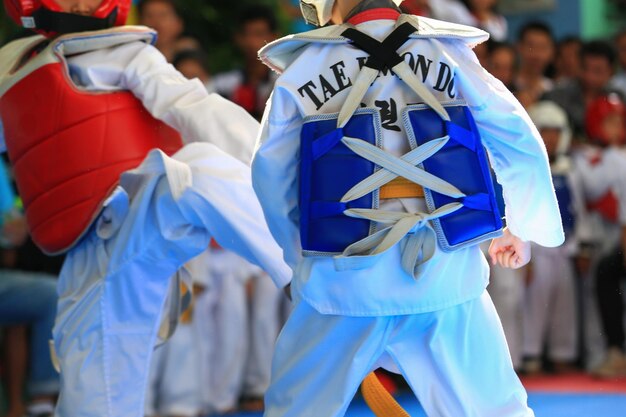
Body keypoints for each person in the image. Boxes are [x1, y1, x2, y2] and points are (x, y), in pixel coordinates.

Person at [253, 1, 564, 416]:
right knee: (495, 410)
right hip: (444, 279)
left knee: (296, 410)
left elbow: (271, 177)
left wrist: (298, 258)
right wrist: (521, 226)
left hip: (343, 285)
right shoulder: (447, 52)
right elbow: (517, 137)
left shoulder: (303, 69)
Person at [0, 1, 291, 417]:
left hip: (139, 217)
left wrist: (282, 172)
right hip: (84, 266)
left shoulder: (128, 53)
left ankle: (306, 275)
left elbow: (200, 110)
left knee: (199, 168)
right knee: (93, 406)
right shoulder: (12, 67)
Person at [522, 101, 585, 374]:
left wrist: (584, 247)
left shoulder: (570, 169)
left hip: (565, 249)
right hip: (537, 250)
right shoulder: (527, 168)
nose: (550, 138)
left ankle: (563, 356)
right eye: (544, 131)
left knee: (564, 307)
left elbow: (579, 210)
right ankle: (531, 356)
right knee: (534, 305)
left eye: (555, 131)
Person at [213, 5, 279, 121]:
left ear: (274, 37)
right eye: (247, 34)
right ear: (238, 38)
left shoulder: (284, 82)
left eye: (258, 34)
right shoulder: (222, 85)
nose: (251, 42)